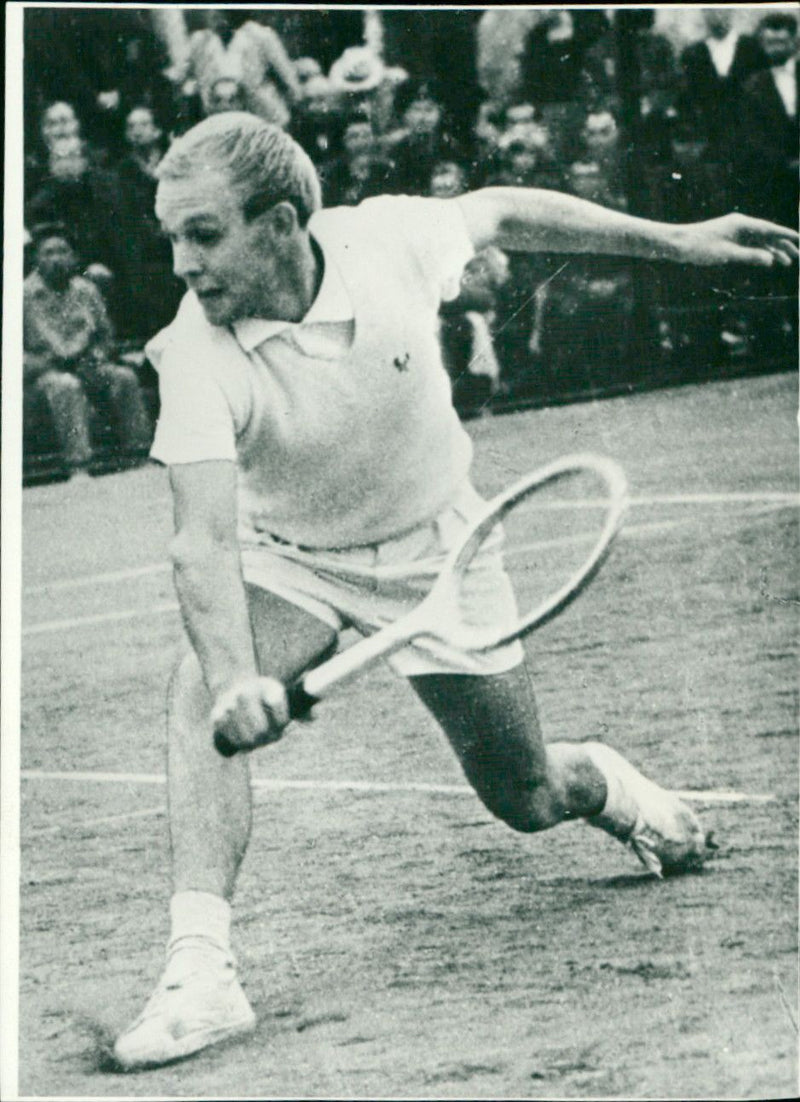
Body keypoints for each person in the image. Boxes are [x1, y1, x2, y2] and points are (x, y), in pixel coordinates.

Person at [112, 112, 798, 1071]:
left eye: (203, 234)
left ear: (279, 224)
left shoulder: (386, 239)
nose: (182, 263)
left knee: (527, 794)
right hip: (295, 562)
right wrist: (234, 679)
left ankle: (612, 787)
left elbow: (507, 211)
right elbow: (203, 542)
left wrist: (677, 242)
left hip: (443, 549)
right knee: (198, 698)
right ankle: (201, 971)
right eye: (172, 237)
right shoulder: (194, 352)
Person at [23, 224, 153, 477]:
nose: (56, 259)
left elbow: (105, 335)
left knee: (124, 377)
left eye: (63, 251)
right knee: (66, 386)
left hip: (86, 364)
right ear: (36, 259)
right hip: (43, 374)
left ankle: (140, 453)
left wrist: (97, 355)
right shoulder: (22, 297)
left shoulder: (86, 291)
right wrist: (46, 364)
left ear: (73, 257)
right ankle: (78, 464)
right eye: (48, 253)